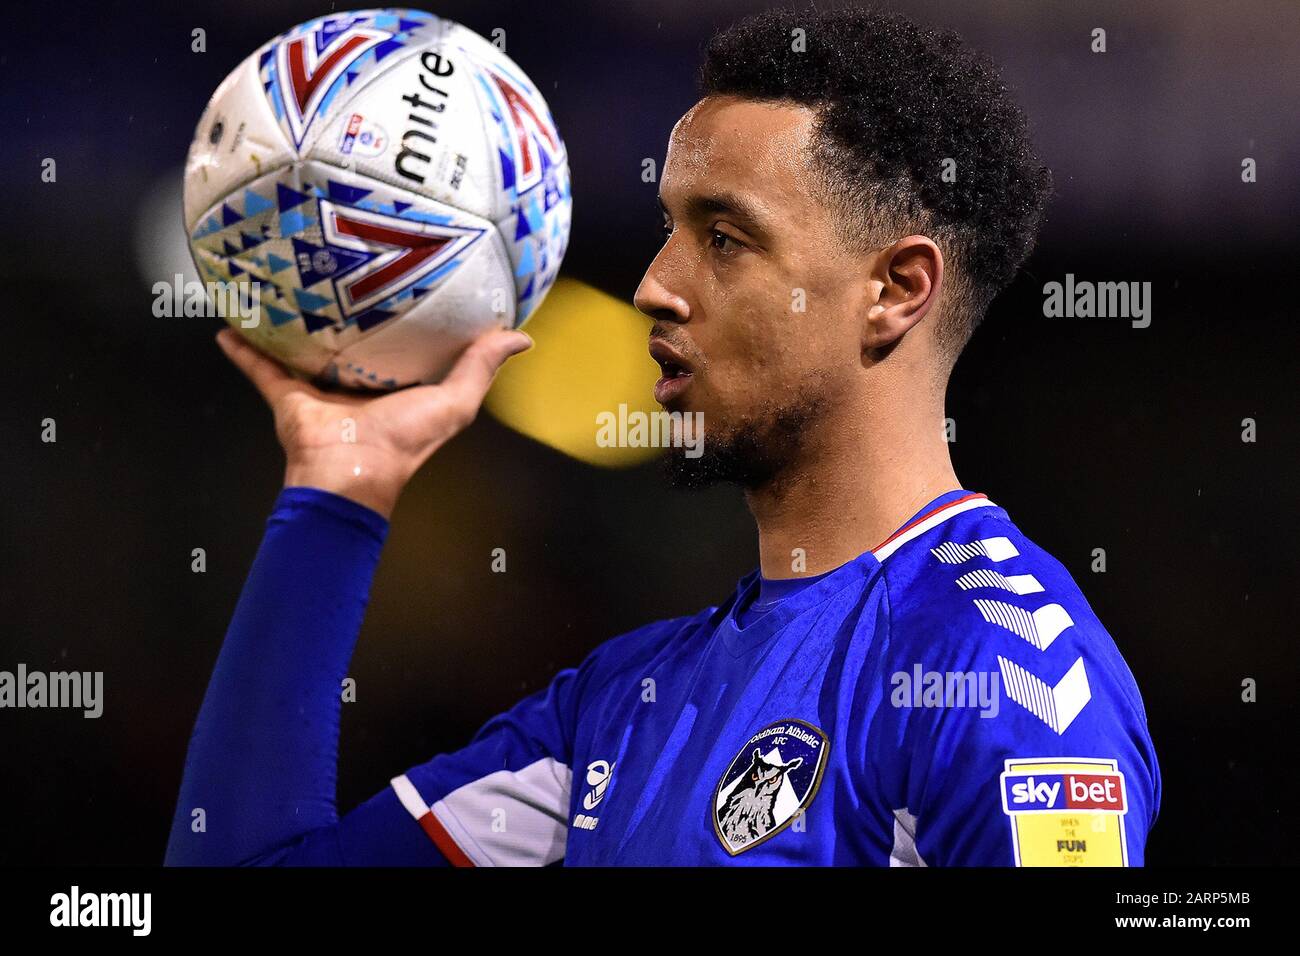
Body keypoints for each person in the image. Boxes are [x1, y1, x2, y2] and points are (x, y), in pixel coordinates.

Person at [166, 5, 1158, 866]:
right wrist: (338, 493)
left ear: (894, 289)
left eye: (722, 237)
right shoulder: (618, 704)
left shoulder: (1004, 674)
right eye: (668, 227)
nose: (653, 282)